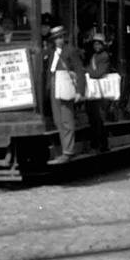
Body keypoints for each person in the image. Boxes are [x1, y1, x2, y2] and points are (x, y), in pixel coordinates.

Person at [46, 25, 85, 164]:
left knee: (66, 120)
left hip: (65, 86)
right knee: (58, 120)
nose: (59, 40)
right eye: (57, 38)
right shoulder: (51, 51)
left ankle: (68, 151)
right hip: (54, 87)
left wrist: (80, 91)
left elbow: (79, 70)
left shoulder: (70, 51)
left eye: (61, 37)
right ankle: (64, 149)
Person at [84, 32, 111, 152]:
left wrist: (86, 71)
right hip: (94, 91)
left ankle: (102, 144)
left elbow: (97, 73)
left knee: (98, 118)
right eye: (95, 44)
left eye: (99, 44)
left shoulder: (104, 56)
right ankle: (97, 143)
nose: (96, 46)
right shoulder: (94, 56)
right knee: (93, 118)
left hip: (100, 92)